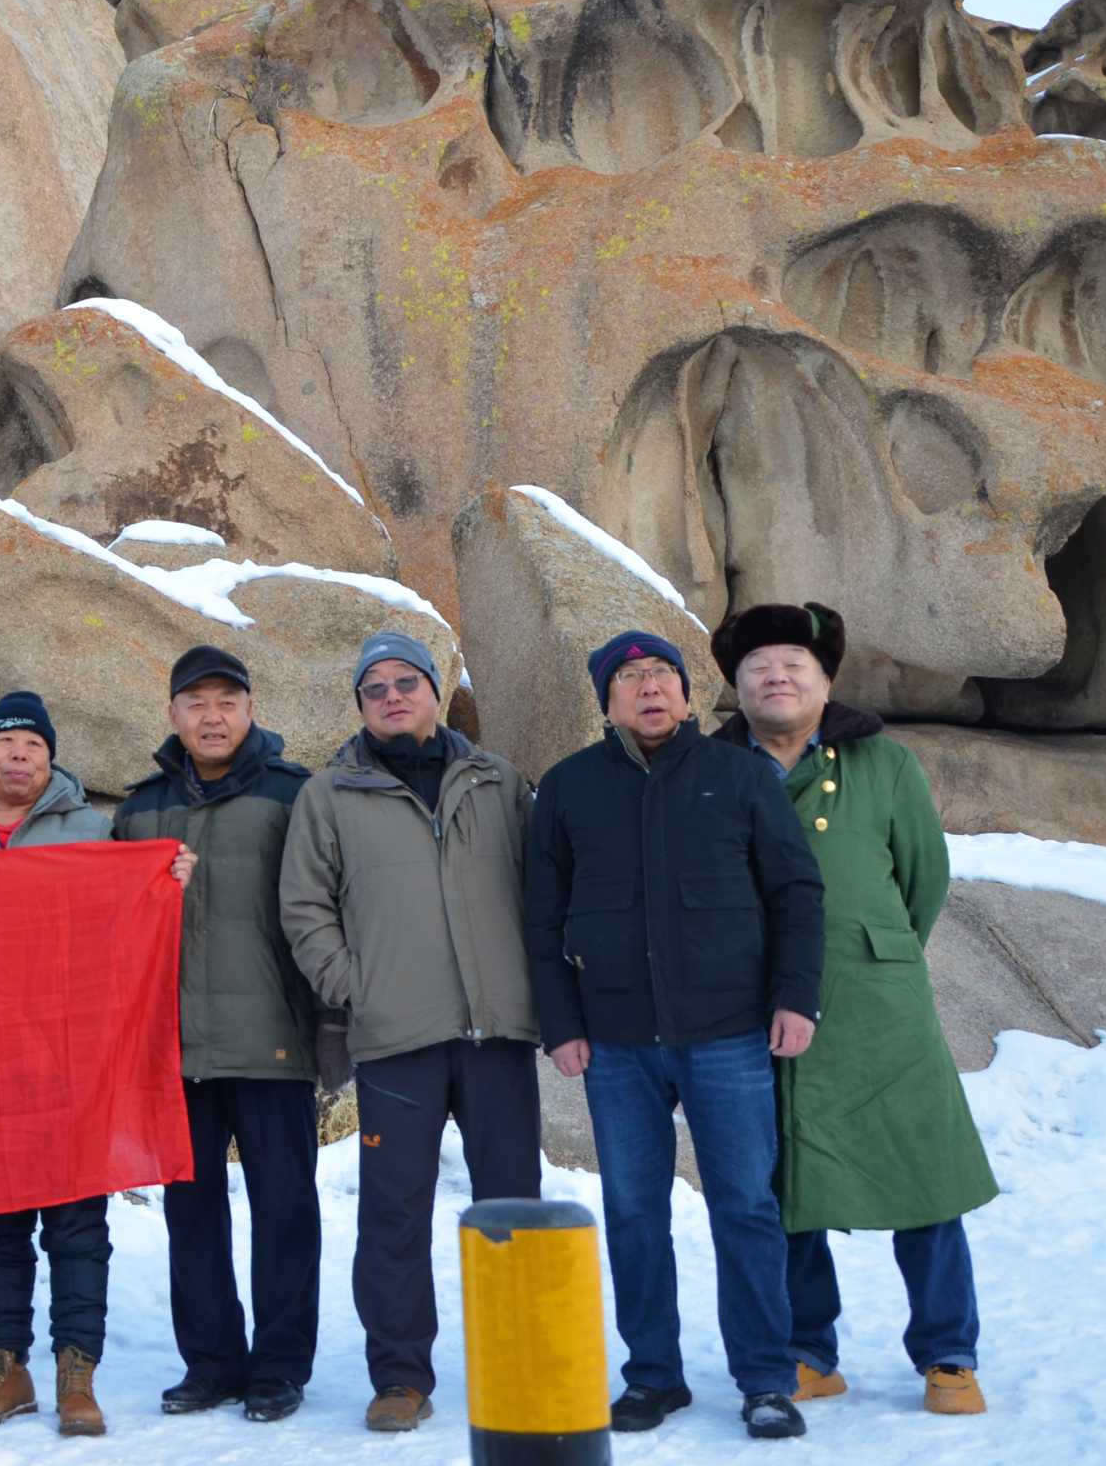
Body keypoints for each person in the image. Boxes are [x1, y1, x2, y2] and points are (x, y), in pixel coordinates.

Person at [525, 632, 825, 1442]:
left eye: (662, 673)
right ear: (607, 699)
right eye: (629, 677)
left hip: (728, 1034)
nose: (649, 687)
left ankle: (765, 1378)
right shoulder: (567, 788)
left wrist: (797, 996)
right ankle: (653, 1375)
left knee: (746, 1206)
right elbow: (541, 917)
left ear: (688, 694)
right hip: (616, 1043)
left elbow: (797, 890)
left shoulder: (739, 776)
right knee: (631, 1211)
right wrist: (562, 1023)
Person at [711, 602, 996, 1418]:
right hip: (759, 1005)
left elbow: (924, 880)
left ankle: (948, 1352)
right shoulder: (714, 767)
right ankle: (808, 1350)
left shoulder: (884, 763)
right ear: (737, 684)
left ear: (826, 680)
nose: (777, 675)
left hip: (879, 1006)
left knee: (924, 1173)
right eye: (760, 664)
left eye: (794, 664)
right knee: (786, 1180)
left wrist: (875, 950)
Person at [280, 631, 539, 1434]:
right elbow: (304, 905)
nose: (393, 696)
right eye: (375, 687)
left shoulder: (498, 781)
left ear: (435, 691)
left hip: (496, 1035)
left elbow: (543, 886)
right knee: (393, 1214)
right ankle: (399, 1374)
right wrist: (357, 986)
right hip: (397, 1038)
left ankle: (519, 1365)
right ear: (359, 704)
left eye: (407, 682)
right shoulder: (330, 794)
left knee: (512, 1209)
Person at [113, 645, 320, 1425]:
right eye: (195, 701)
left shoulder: (294, 793)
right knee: (190, 1214)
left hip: (272, 1037)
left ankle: (278, 1365)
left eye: (226, 700)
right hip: (175, 1047)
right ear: (172, 713)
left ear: (251, 708)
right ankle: (210, 1362)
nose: (211, 714)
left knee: (285, 1208)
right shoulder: (137, 808)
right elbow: (108, 918)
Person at [0, 693, 117, 1440]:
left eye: (34, 744)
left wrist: (166, 879)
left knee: (77, 1222)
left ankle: (78, 1371)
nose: (18, 754)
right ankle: (5, 1365)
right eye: (5, 742)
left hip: (71, 1058)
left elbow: (126, 924)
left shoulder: (94, 833)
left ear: (50, 759)